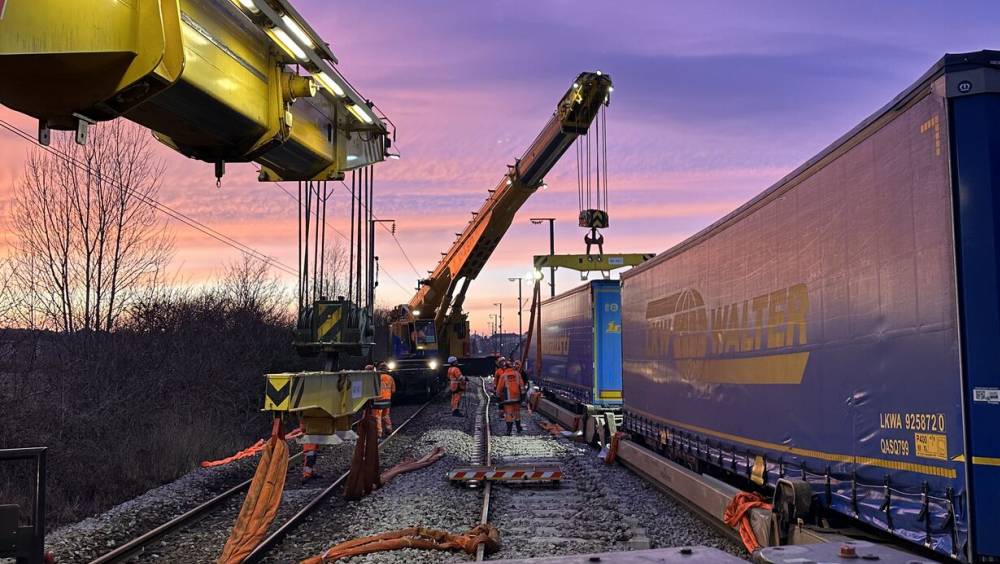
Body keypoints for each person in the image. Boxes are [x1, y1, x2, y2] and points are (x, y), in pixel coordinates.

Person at [495, 359, 525, 435]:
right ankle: (518, 428)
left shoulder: (503, 376)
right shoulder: (517, 374)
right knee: (517, 413)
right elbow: (522, 386)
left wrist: (497, 396)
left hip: (507, 399)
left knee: (509, 414)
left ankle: (509, 431)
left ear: (505, 367)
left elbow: (499, 388)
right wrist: (523, 396)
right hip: (517, 398)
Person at [372, 362, 396, 438]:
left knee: (377, 416)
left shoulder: (376, 377)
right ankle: (389, 429)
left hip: (378, 401)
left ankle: (379, 433)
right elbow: (393, 390)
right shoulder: (390, 378)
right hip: (387, 400)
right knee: (386, 415)